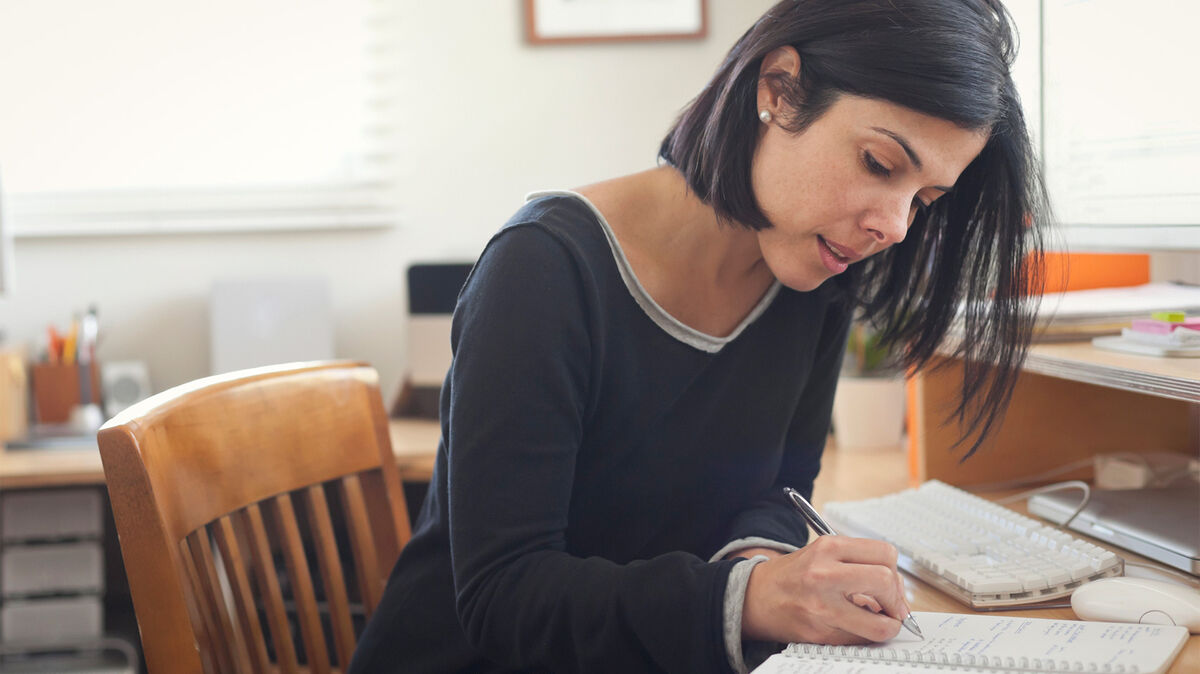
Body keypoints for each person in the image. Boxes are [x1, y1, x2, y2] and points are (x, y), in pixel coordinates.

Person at [350, 0, 1047, 671]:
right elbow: (506, 598)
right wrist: (748, 600)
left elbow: (781, 489)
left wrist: (756, 569)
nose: (895, 227)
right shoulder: (542, 269)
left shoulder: (815, 275)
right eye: (879, 165)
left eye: (923, 201)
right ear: (779, 88)